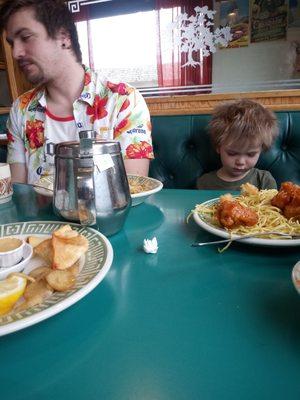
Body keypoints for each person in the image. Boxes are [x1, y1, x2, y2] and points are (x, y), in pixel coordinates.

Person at [0, 0, 153, 184]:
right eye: (11, 43)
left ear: (63, 37)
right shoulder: (21, 109)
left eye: (25, 37)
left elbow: (132, 189)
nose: (16, 53)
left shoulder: (123, 101)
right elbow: (20, 193)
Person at [197, 99, 279, 191]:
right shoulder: (204, 183)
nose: (240, 162)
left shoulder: (264, 180)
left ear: (261, 149)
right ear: (218, 147)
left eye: (251, 154)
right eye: (232, 153)